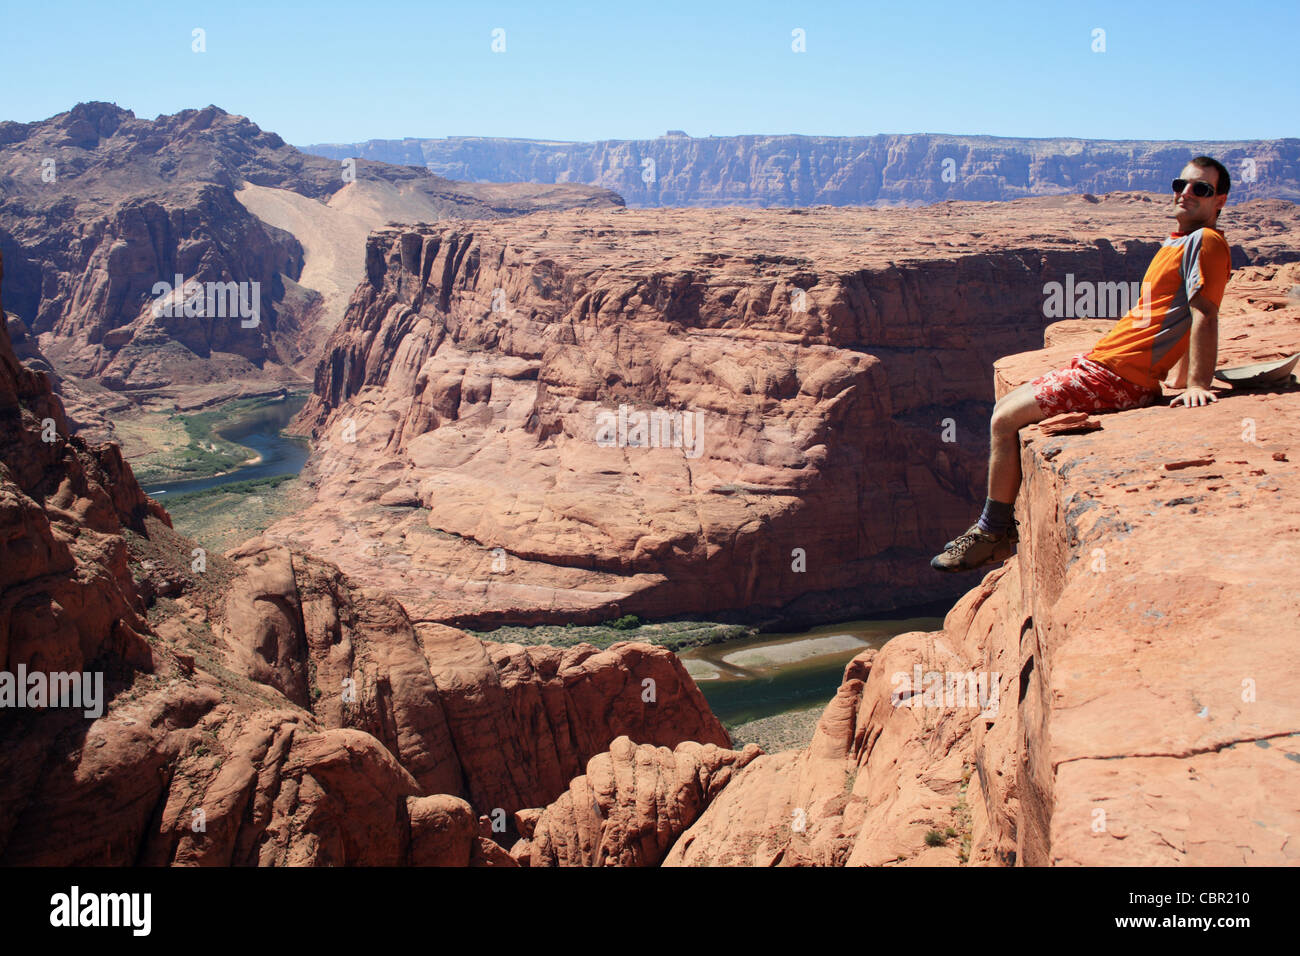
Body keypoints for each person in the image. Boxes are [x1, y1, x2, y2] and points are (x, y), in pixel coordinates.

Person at [931, 156, 1233, 572]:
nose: (1185, 192)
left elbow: (1204, 312)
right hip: (1104, 366)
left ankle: (992, 532)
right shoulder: (1178, 241)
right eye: (1181, 183)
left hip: (1118, 377)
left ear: (1219, 200)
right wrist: (1178, 377)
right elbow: (1172, 316)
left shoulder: (1207, 242)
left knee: (1003, 421)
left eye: (1200, 189)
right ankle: (995, 528)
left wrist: (1197, 382)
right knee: (1004, 410)